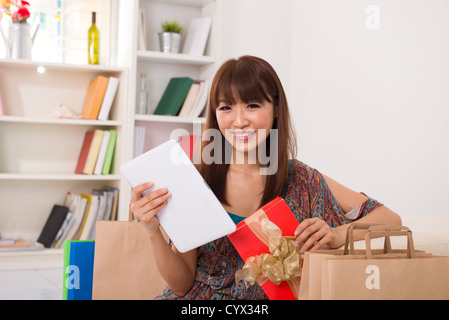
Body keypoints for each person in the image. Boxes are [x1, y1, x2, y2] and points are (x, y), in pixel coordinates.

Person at [129, 55, 402, 300]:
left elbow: (390, 219)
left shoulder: (302, 178)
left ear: (276, 110)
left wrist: (335, 234)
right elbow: (181, 285)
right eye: (225, 108)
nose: (239, 121)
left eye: (252, 105)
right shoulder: (196, 181)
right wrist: (152, 230)